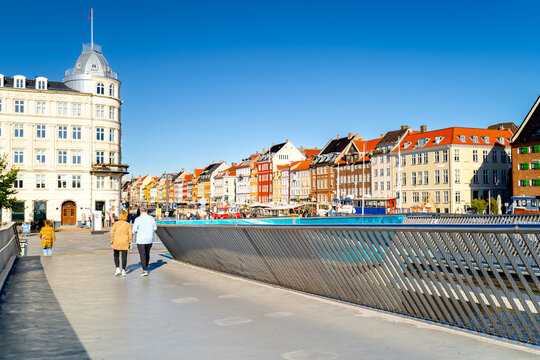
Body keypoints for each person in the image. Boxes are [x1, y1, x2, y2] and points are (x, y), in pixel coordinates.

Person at [132, 206, 157, 276]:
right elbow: (155, 228)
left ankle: (145, 270)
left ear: (140, 211)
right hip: (149, 238)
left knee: (142, 254)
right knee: (147, 253)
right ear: (146, 211)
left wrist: (138, 231)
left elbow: (134, 230)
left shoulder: (138, 219)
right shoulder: (151, 218)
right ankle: (146, 266)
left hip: (141, 239)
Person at [110, 212, 133, 277]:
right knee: (124, 256)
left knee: (116, 254)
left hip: (116, 241)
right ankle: (123, 270)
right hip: (124, 241)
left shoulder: (115, 224)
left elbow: (111, 232)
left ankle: (117, 269)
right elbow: (130, 234)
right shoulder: (128, 224)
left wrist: (112, 239)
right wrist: (129, 241)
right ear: (125, 217)